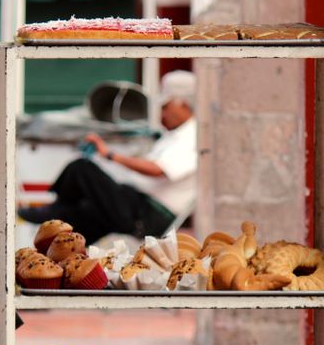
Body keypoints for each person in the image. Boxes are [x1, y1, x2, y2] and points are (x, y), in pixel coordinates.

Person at [18, 70, 197, 244]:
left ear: (182, 104)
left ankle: (55, 210)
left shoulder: (192, 136)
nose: (162, 114)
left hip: (147, 214)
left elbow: (158, 169)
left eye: (166, 107)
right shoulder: (173, 135)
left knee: (82, 168)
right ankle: (58, 230)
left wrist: (110, 155)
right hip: (135, 203)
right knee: (83, 214)